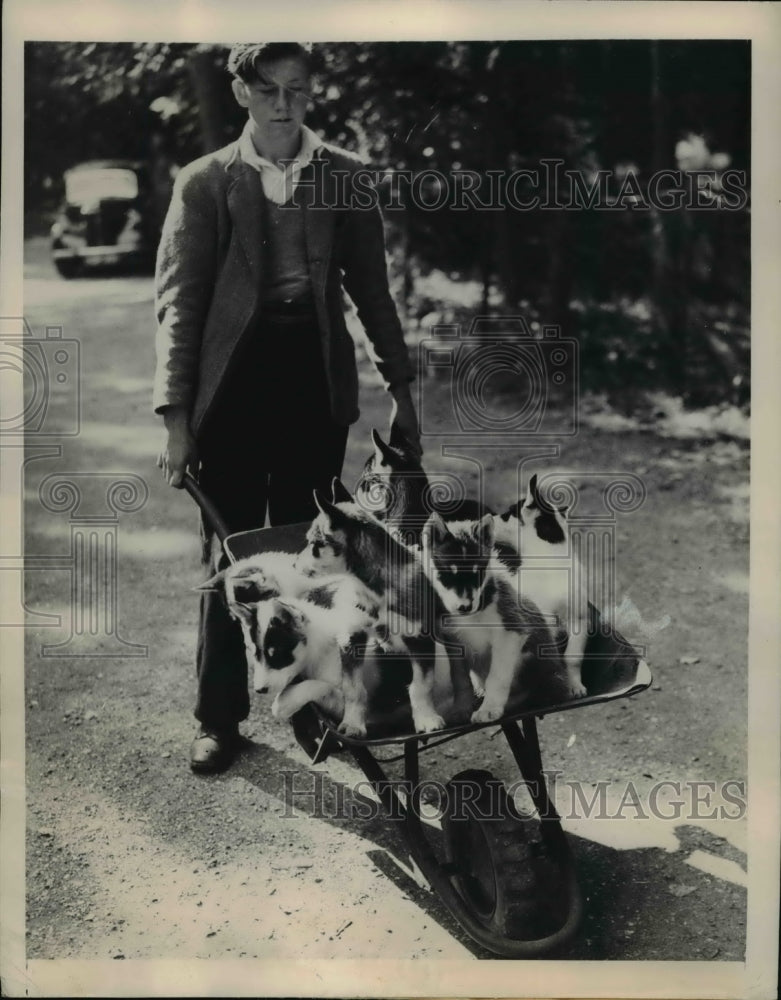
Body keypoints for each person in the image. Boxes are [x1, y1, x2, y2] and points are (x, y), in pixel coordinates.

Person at [154, 42, 421, 773]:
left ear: (311, 95)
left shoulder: (346, 178)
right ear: (241, 92)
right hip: (231, 392)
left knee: (314, 549)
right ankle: (218, 718)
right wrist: (176, 420)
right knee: (235, 556)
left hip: (312, 386)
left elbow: (372, 295)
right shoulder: (205, 183)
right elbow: (179, 308)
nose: (282, 103)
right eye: (267, 89)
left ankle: (319, 708)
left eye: (296, 90)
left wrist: (401, 393)